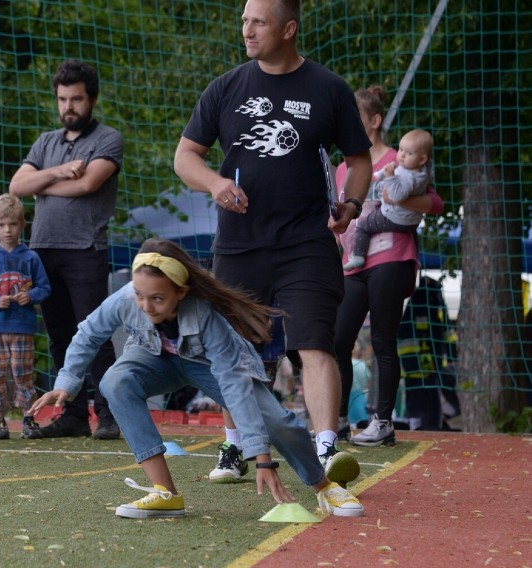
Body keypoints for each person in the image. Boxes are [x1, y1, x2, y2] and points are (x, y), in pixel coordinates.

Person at [173, 0, 372, 473]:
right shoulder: (225, 88)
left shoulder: (329, 88)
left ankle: (324, 448)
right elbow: (185, 157)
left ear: (289, 29)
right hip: (240, 244)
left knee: (315, 344)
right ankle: (235, 444)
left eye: (257, 21)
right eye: (244, 20)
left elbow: (359, 161)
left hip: (307, 243)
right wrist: (216, 183)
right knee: (232, 349)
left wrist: (352, 205)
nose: (246, 29)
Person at [29, 239, 364, 519]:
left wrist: (261, 457)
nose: (146, 305)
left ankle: (323, 486)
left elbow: (233, 386)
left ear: (181, 292)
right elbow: (88, 333)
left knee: (280, 422)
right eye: (141, 295)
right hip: (154, 359)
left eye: (157, 298)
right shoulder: (128, 298)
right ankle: (166, 493)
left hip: (205, 364)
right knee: (115, 381)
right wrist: (67, 381)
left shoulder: (205, 314)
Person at [9, 59, 123, 440]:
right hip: (43, 250)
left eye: (76, 98)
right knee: (59, 336)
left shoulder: (108, 139)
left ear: (91, 99)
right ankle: (72, 415)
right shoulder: (46, 142)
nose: (68, 107)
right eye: (62, 99)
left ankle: (110, 415)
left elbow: (87, 184)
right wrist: (57, 172)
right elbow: (17, 187)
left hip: (84, 249)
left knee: (95, 333)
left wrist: (40, 183)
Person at [333, 86, 444, 446]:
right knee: (337, 342)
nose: (345, 124)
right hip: (353, 264)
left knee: (383, 340)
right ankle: (334, 423)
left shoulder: (401, 158)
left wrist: (397, 196)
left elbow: (436, 203)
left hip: (391, 256)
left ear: (375, 121)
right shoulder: (340, 169)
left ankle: (382, 421)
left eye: (354, 118)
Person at [0, 194, 51, 439]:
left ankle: (29, 419)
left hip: (22, 327)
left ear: (22, 225)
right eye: (1, 224)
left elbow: (44, 288)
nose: (7, 230)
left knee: (22, 373)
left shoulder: (31, 257)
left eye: (13, 224)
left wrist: (30, 296)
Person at [342, 128, 435, 270]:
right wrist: (381, 174)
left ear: (422, 159)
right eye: (401, 150)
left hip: (396, 217)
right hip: (410, 219)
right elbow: (397, 170)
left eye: (408, 153)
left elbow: (397, 195)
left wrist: (390, 177)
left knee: (362, 226)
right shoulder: (419, 170)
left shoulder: (410, 178)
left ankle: (358, 256)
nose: (402, 156)